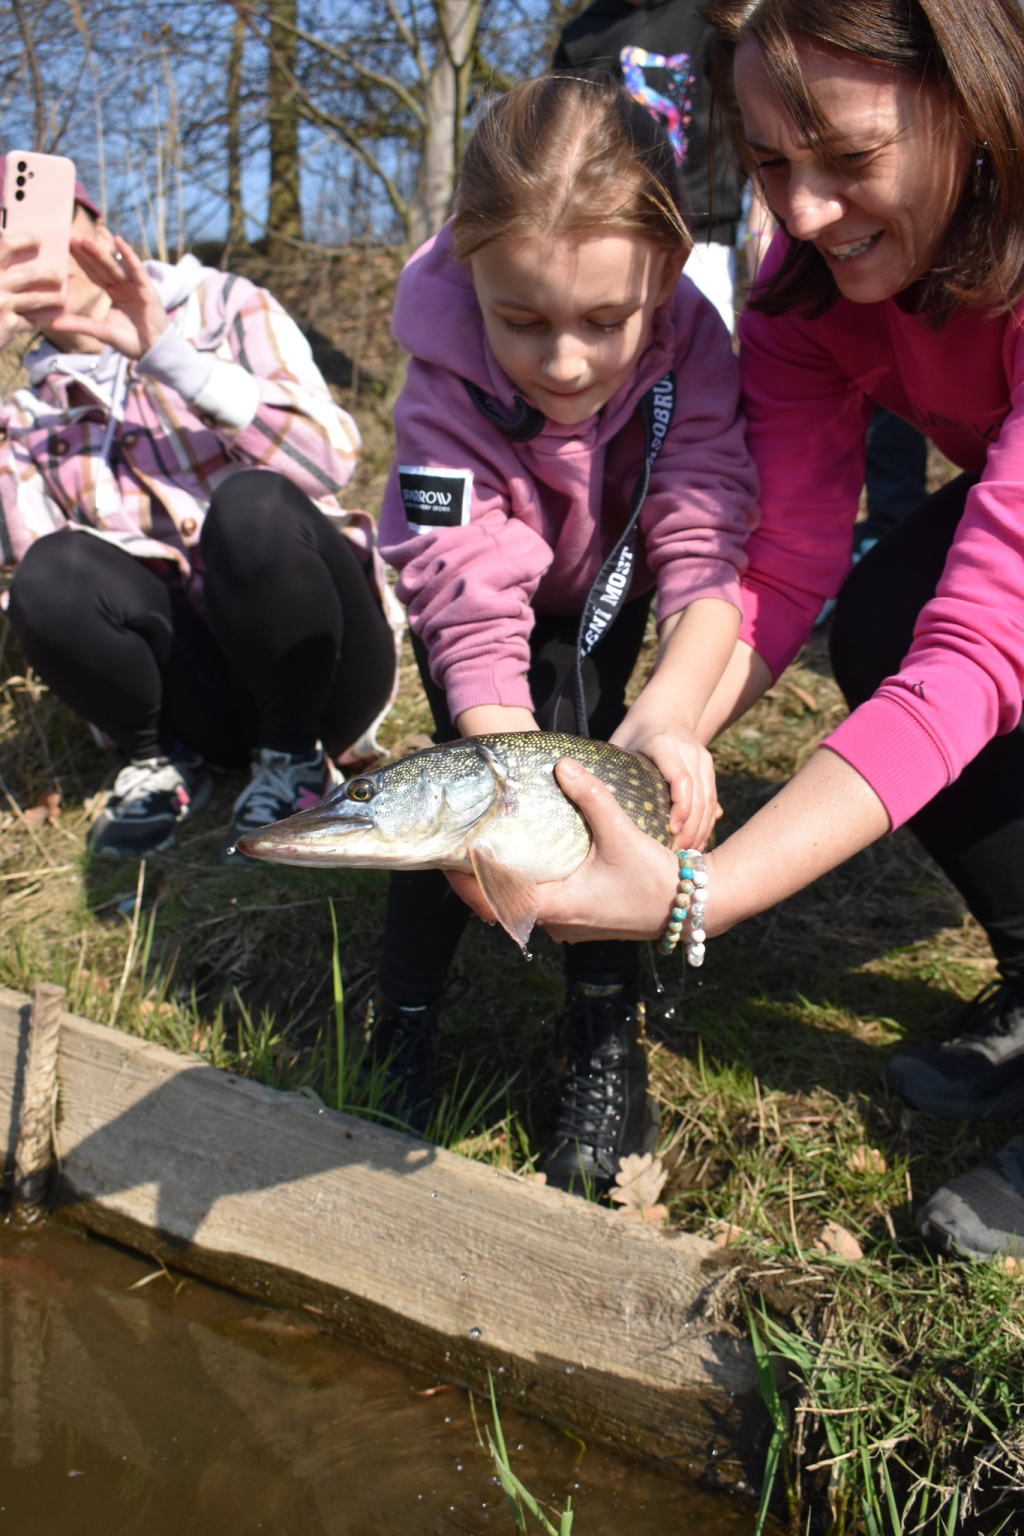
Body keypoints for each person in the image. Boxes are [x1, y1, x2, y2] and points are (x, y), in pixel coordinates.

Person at [452, 0, 1024, 1259]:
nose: (803, 211)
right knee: (884, 618)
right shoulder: (806, 292)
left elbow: (987, 646)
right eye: (768, 162)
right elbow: (788, 553)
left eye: (850, 157)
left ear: (974, 100)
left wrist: (694, 896)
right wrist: (663, 722)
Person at [375, 74, 759, 1191]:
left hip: (611, 597)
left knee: (608, 792)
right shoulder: (441, 380)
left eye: (605, 322)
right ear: (470, 269)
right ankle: (404, 1022)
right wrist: (504, 774)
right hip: (478, 624)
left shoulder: (695, 345)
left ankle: (600, 1031)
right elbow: (463, 579)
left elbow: (705, 530)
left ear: (667, 275)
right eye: (522, 321)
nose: (565, 363)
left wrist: (675, 713)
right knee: (451, 805)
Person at [0, 177, 400, 859]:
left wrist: (169, 357)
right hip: (196, 695)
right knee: (46, 572)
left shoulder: (223, 304)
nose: (36, 254)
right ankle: (161, 762)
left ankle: (297, 760)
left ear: (98, 225)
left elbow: (331, 458)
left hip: (321, 665)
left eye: (46, 226)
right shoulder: (26, 414)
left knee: (252, 505)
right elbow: (43, 588)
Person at [552, 0, 758, 332]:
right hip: (608, 234)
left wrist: (757, 206)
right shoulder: (579, 38)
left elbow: (745, 116)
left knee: (701, 347)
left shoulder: (711, 13)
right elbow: (561, 140)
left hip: (702, 235)